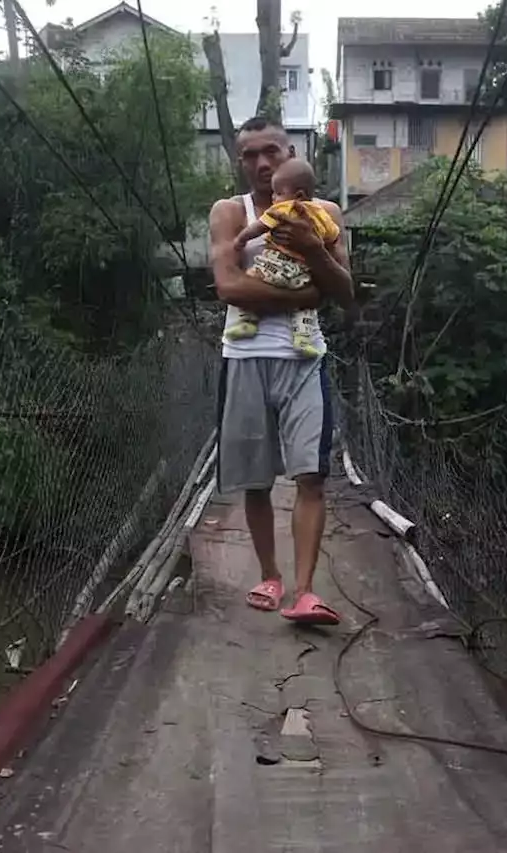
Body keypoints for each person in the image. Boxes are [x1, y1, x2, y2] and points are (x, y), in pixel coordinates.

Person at [208, 115, 355, 626]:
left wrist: (314, 252)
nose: (262, 163)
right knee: (255, 481)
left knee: (311, 476)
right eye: (249, 154)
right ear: (240, 161)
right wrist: (305, 292)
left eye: (271, 151)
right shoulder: (231, 213)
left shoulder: (326, 213)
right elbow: (229, 289)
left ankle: (306, 592)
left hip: (304, 358)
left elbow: (345, 292)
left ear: (289, 152)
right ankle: (270, 575)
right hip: (243, 358)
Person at [225, 157, 339, 358]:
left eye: (277, 193)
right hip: (302, 274)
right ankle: (302, 339)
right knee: (305, 309)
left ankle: (248, 321)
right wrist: (318, 247)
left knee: (250, 276)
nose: (273, 198)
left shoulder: (284, 208)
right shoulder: (322, 214)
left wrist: (241, 239)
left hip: (274, 266)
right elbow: (332, 236)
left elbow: (259, 226)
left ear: (298, 195)